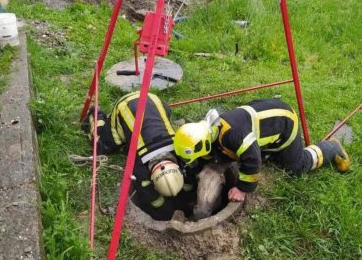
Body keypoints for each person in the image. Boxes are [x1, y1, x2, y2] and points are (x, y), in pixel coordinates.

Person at [174, 98, 350, 203]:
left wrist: (242, 189)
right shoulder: (207, 131)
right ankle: (271, 150)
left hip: (283, 123)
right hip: (263, 114)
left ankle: (331, 148)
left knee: (296, 165)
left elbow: (253, 160)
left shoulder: (234, 136)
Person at [82, 92, 198, 220]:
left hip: (155, 101)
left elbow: (189, 183)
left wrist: (187, 199)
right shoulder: (140, 169)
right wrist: (168, 213)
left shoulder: (182, 154)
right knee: (101, 145)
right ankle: (97, 115)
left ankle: (121, 127)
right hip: (126, 107)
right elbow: (153, 200)